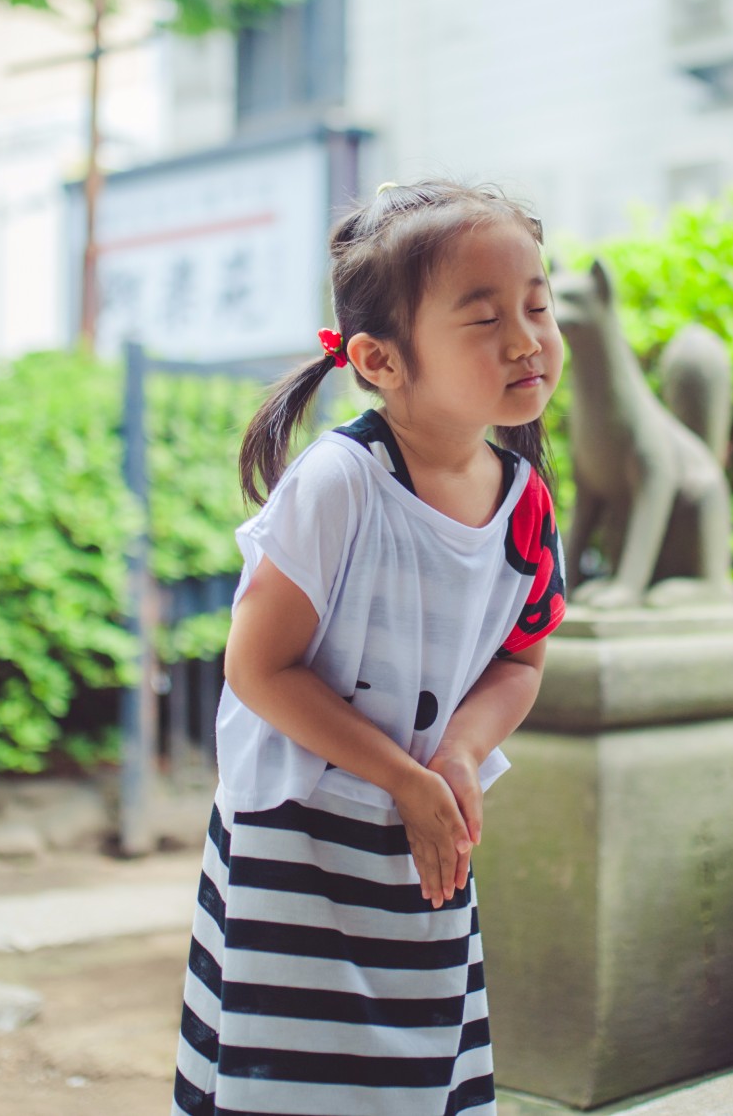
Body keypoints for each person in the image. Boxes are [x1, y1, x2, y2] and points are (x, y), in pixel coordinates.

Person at [171, 179, 569, 1116]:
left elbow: (522, 659)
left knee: (414, 1075)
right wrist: (405, 776)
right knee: (294, 1082)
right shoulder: (339, 484)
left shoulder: (526, 499)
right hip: (299, 836)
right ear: (379, 360)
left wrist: (459, 755)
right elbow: (257, 668)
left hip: (420, 827)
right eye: (484, 317)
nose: (526, 339)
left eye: (538, 306)